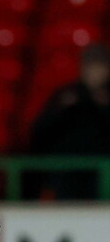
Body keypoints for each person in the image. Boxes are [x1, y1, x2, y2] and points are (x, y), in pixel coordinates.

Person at [30, 43, 110, 199]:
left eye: (99, 66)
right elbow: (39, 132)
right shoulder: (66, 95)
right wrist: (63, 108)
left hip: (104, 174)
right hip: (68, 174)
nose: (94, 72)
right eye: (90, 66)